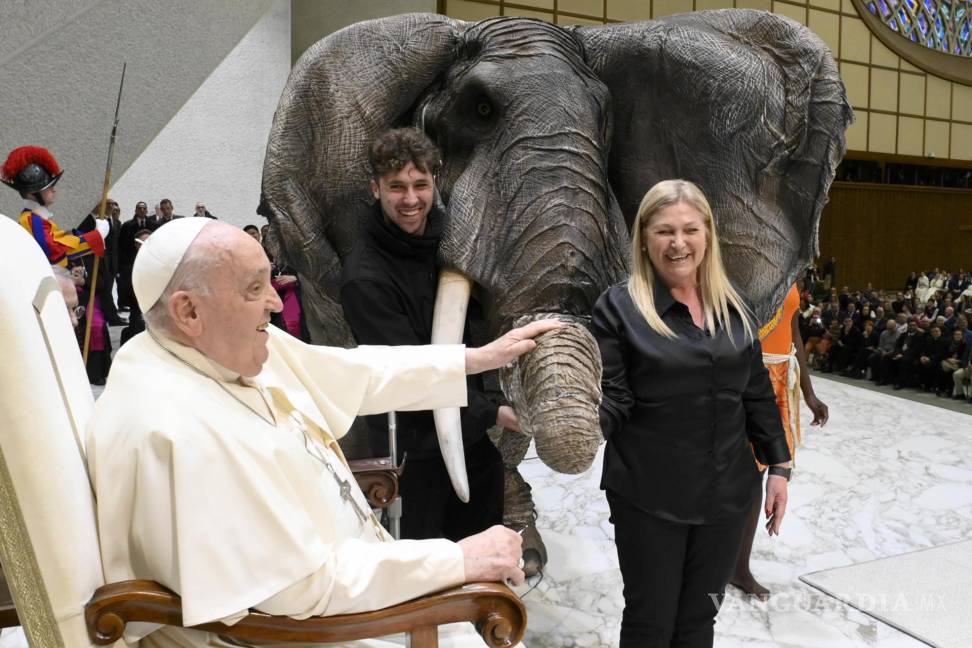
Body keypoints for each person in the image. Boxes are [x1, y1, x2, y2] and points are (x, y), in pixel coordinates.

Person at [88, 218, 556, 647]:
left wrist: (474, 359)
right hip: (304, 630)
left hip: (345, 583)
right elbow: (298, 590)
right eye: (255, 288)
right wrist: (458, 560)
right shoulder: (175, 431)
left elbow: (356, 371)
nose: (275, 300)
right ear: (188, 311)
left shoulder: (205, 351)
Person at [593, 180, 791, 647]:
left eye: (689, 230)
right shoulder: (619, 309)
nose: (678, 243)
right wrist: (571, 426)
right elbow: (614, 400)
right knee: (651, 623)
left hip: (727, 496)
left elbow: (756, 394)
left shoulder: (735, 305)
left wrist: (779, 467)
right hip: (649, 496)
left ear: (708, 235)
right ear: (644, 237)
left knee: (700, 622)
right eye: (664, 231)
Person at [340, 128, 516, 543]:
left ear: (434, 183)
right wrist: (494, 413)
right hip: (410, 449)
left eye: (420, 184)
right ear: (375, 188)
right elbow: (409, 372)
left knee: (484, 551)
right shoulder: (364, 276)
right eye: (396, 187)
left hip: (467, 437)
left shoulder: (453, 242)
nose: (411, 199)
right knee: (426, 573)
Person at [731, 282, 827, 600]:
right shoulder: (734, 260)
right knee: (731, 472)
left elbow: (794, 331)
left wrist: (809, 394)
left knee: (758, 473)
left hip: (780, 376)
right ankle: (705, 559)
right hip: (744, 375)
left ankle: (739, 567)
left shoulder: (791, 264)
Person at [1, 145, 109, 267]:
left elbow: (60, 241)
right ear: (32, 193)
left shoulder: (36, 218)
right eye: (48, 187)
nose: (54, 190)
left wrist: (86, 236)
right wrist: (97, 236)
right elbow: (55, 251)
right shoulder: (31, 220)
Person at [118, 201, 156, 310]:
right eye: (139, 208)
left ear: (147, 210)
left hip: (149, 262)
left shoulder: (154, 225)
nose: (142, 210)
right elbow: (122, 246)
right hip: (131, 262)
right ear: (135, 210)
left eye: (144, 208)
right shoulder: (127, 225)